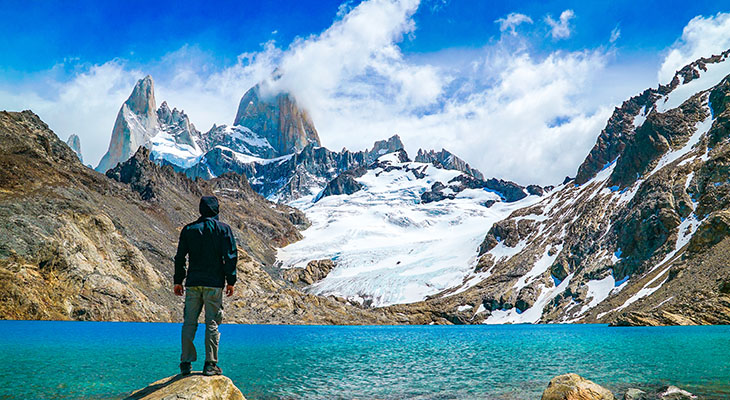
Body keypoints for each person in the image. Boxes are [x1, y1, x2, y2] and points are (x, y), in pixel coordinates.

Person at [174, 196, 237, 376]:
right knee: (212, 323)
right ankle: (210, 364)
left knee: (189, 322)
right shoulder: (224, 230)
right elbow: (230, 257)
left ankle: (185, 363)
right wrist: (231, 281)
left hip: (193, 283)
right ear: (217, 209)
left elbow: (180, 257)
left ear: (201, 209)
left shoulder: (188, 230)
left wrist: (178, 280)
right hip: (214, 284)